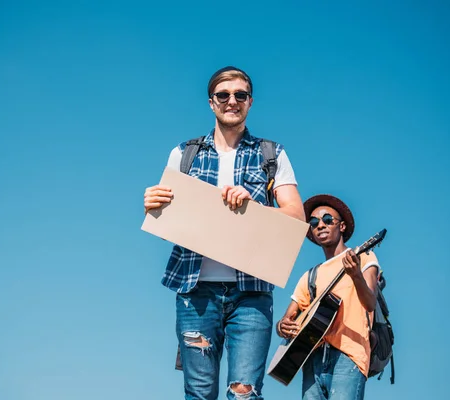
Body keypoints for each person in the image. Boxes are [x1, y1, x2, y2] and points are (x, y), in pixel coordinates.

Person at [143, 66, 305, 400]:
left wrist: (255, 206)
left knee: (244, 394)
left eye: (240, 95)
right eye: (223, 95)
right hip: (195, 293)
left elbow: (295, 215)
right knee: (199, 394)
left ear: (250, 102)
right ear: (211, 102)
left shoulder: (271, 155)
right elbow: (167, 223)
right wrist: (153, 205)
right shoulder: (184, 154)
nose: (232, 101)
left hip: (252, 295)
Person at [277, 194, 380, 400]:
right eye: (314, 222)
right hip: (312, 356)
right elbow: (286, 320)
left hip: (349, 354)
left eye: (327, 220)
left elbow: (370, 302)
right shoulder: (310, 276)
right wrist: (282, 326)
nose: (320, 225)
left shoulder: (363, 257)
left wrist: (356, 275)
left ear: (341, 227)